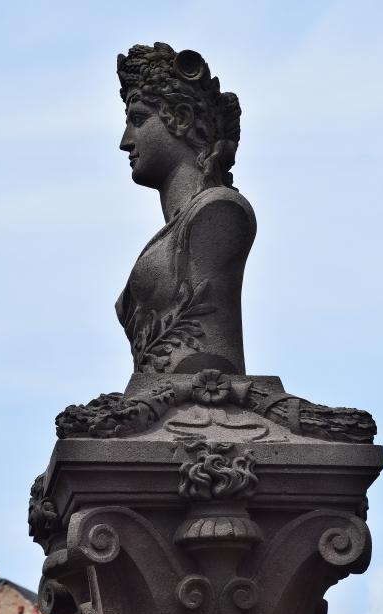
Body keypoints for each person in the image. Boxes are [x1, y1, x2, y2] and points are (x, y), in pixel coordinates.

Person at [116, 42, 256, 374]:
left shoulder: (217, 211)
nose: (125, 140)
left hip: (199, 402)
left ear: (180, 118)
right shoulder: (182, 225)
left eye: (138, 119)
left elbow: (206, 356)